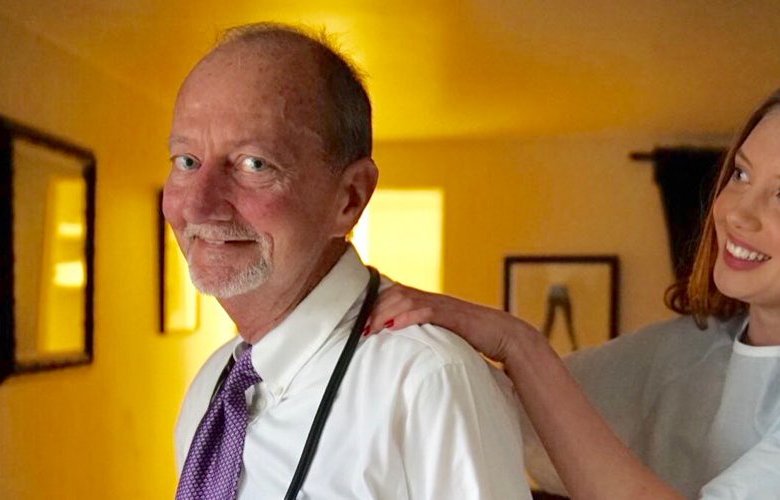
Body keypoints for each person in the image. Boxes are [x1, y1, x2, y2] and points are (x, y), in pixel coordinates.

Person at [365, 78, 780, 499]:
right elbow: (508, 413)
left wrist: (520, 343)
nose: (737, 212)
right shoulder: (688, 347)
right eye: (740, 173)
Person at [166, 23, 528, 499]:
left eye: (254, 164)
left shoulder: (427, 381)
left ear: (350, 198)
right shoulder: (211, 389)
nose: (198, 206)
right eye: (187, 161)